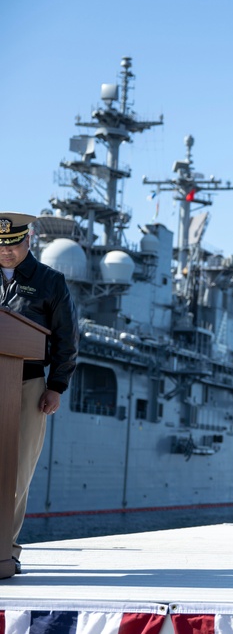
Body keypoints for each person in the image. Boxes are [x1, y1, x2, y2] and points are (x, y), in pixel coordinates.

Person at [0, 212, 78, 576]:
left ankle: (5, 551)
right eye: (0, 246)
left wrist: (56, 386)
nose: (5, 252)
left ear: (28, 240)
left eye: (12, 244)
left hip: (27, 383)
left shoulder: (50, 281)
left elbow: (66, 340)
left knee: (17, 473)